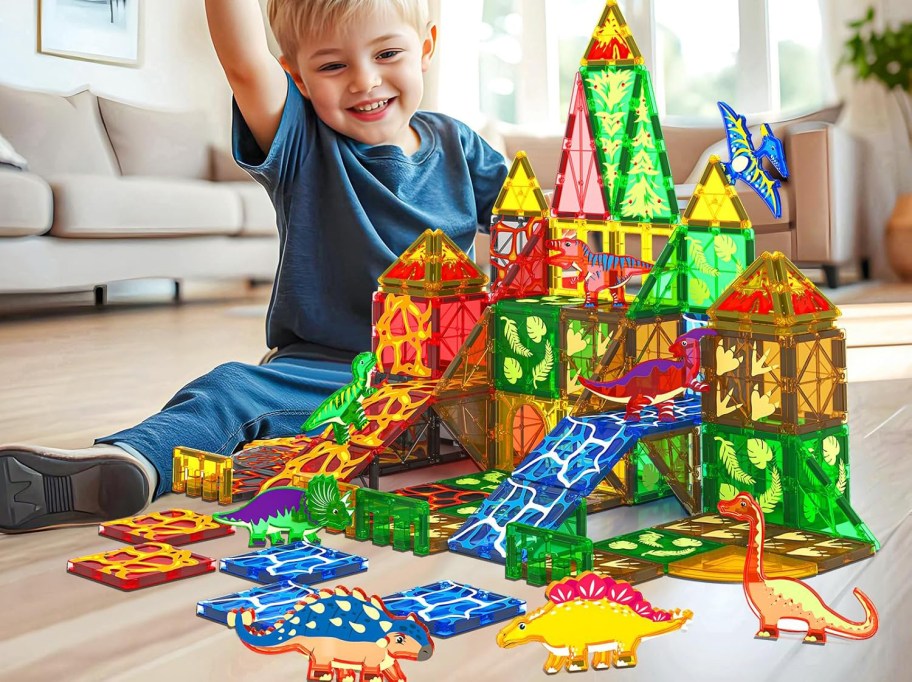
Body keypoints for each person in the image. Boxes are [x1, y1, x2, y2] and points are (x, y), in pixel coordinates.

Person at [0, 0, 507, 533]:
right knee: (230, 391)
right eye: (332, 66)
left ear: (425, 48)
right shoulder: (302, 142)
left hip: (451, 375)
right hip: (327, 370)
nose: (364, 80)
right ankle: (134, 464)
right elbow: (243, 58)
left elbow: (536, 233)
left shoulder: (459, 144)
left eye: (386, 53)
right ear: (297, 77)